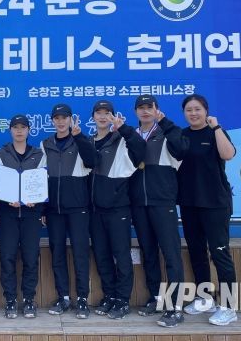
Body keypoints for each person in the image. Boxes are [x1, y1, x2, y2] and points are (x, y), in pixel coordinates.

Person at [178, 94, 238, 326]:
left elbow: (228, 155)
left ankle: (229, 307)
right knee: (197, 253)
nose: (193, 113)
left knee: (220, 254)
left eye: (197, 109)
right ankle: (205, 298)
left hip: (215, 204)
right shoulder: (182, 135)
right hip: (189, 203)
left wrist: (217, 128)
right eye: (189, 110)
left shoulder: (216, 132)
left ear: (206, 111)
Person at [128, 95, 188, 328]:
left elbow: (182, 150)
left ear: (156, 110)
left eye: (149, 107)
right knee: (149, 252)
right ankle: (156, 297)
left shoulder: (167, 132)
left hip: (162, 202)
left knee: (171, 254)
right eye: (141, 108)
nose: (145, 111)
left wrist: (166, 123)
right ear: (135, 111)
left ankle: (176, 307)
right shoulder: (131, 135)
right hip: (138, 204)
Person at [89, 100, 145, 320]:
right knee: (101, 255)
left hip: (118, 209)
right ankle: (110, 295)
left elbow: (141, 150)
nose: (103, 117)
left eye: (107, 113)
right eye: (99, 113)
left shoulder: (121, 140)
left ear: (113, 116)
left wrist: (124, 129)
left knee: (121, 255)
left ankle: (123, 300)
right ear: (93, 117)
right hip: (95, 210)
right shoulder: (88, 142)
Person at [41, 103, 96, 319]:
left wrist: (79, 136)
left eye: (64, 117)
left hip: (78, 208)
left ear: (71, 119)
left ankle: (82, 298)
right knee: (57, 253)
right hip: (54, 210)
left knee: (80, 253)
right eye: (57, 118)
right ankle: (63, 297)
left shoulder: (83, 140)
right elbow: (40, 178)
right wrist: (43, 209)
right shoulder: (45, 144)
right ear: (52, 121)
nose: (61, 121)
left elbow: (92, 161)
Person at [0, 114, 46, 318]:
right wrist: (7, 198)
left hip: (31, 214)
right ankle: (10, 300)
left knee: (31, 258)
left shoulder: (39, 154)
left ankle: (29, 299)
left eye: (23, 127)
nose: (19, 131)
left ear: (29, 130)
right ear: (10, 130)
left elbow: (43, 183)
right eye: (15, 127)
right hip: (8, 214)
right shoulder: (0, 154)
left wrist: (36, 199)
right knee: (7, 257)